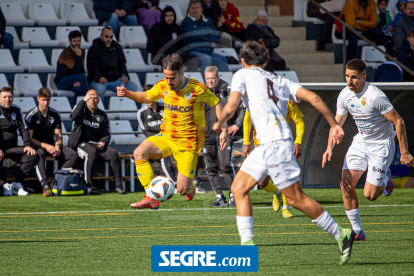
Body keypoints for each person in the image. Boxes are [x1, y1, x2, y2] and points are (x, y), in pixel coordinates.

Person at [214, 40, 354, 265]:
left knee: (295, 199)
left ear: (242, 60)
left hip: (275, 144)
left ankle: (341, 234)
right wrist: (334, 124)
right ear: (266, 60)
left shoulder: (242, 74)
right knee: (238, 188)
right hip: (267, 145)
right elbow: (314, 98)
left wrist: (220, 122)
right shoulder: (280, 80)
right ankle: (247, 246)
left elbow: (231, 107)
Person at [116, 54, 228, 210]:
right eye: (166, 77)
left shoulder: (196, 88)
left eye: (172, 78)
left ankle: (190, 188)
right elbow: (146, 97)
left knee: (182, 190)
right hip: (167, 136)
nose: (169, 82)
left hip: (187, 144)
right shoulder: (162, 85)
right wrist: (128, 93)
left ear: (181, 73)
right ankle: (151, 197)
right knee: (139, 153)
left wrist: (223, 128)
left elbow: (216, 103)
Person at [322, 58, 414, 242]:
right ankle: (357, 231)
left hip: (381, 145)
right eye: (347, 76)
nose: (349, 81)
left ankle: (385, 178)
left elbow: (398, 121)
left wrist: (404, 152)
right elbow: (336, 123)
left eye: (354, 77)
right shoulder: (344, 95)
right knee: (345, 185)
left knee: (370, 195)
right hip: (361, 142)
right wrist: (328, 148)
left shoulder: (375, 96)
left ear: (364, 77)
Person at [243, 98, 305, 219]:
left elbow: (299, 122)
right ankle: (277, 192)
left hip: (281, 144)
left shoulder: (286, 102)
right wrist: (246, 143)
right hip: (261, 146)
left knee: (284, 176)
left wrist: (298, 141)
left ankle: (286, 208)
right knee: (262, 182)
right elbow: (247, 120)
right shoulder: (256, 100)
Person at [69, 89, 125, 195]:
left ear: (98, 100)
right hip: (82, 143)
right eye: (90, 98)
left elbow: (106, 134)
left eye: (95, 98)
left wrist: (103, 142)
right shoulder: (81, 110)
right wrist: (83, 100)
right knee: (91, 152)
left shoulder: (102, 115)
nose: (93, 100)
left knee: (113, 153)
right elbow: (73, 116)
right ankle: (89, 185)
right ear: (86, 99)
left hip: (97, 144)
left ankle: (118, 185)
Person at [25, 88, 79, 196]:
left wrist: (57, 146)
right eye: (43, 100)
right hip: (38, 145)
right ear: (38, 99)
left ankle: (57, 179)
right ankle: (45, 185)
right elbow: (30, 138)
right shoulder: (31, 115)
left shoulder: (54, 114)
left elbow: (58, 134)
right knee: (39, 153)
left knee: (73, 155)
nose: (46, 103)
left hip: (52, 145)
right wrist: (47, 146)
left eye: (48, 100)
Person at [204, 66, 245, 207]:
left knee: (226, 165)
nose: (210, 81)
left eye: (212, 78)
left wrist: (237, 125)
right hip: (207, 137)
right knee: (210, 168)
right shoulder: (202, 93)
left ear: (218, 77)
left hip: (225, 136)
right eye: (207, 79)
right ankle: (220, 197)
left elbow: (242, 110)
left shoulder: (228, 92)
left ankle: (234, 195)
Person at [137, 84, 177, 186]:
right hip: (157, 141)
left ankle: (193, 182)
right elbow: (146, 132)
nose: (150, 99)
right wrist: (160, 138)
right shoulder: (141, 113)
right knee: (165, 156)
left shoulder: (166, 107)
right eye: (147, 97)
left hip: (173, 137)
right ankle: (175, 183)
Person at [0, 86, 37, 196]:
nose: (8, 99)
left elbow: (23, 128)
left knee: (32, 154)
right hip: (1, 148)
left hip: (12, 147)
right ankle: (3, 184)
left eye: (10, 97)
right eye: (5, 97)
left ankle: (17, 184)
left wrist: (27, 144)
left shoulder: (16, 110)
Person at [87, 26, 138, 102]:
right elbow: (91, 68)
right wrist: (99, 78)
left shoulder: (117, 47)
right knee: (99, 90)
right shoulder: (93, 49)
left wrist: (125, 76)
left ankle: (122, 107)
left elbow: (122, 64)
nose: (109, 39)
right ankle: (100, 111)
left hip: (114, 80)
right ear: (101, 36)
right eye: (106, 36)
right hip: (98, 81)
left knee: (133, 87)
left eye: (111, 37)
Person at [181, 0, 229, 73]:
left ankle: (224, 83)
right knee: (206, 59)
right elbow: (194, 35)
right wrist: (208, 31)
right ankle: (206, 84)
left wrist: (201, 34)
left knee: (223, 59)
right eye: (192, 8)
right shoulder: (186, 22)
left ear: (201, 9)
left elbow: (216, 36)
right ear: (189, 10)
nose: (195, 10)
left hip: (208, 51)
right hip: (193, 51)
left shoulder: (208, 20)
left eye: (197, 7)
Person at [54, 30, 89, 105]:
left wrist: (78, 81)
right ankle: (89, 100)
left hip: (74, 80)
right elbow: (75, 70)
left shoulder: (81, 51)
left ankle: (76, 109)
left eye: (78, 41)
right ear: (70, 41)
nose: (77, 43)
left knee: (78, 89)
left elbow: (81, 69)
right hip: (62, 82)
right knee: (82, 77)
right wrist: (78, 56)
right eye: (74, 41)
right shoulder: (66, 53)